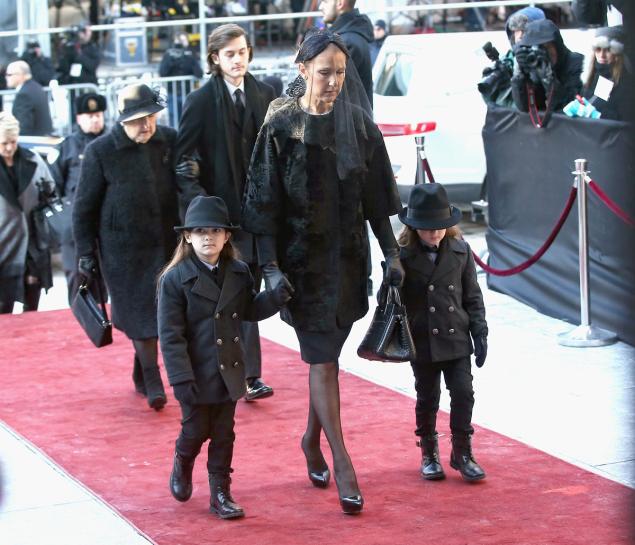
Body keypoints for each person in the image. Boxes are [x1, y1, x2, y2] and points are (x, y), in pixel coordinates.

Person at [242, 29, 404, 514]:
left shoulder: (360, 124)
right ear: (302, 69)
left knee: (326, 360)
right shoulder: (280, 123)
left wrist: (392, 253)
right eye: (324, 72)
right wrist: (269, 268)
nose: (333, 81)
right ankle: (343, 462)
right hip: (299, 271)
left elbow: (378, 201)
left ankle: (310, 440)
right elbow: (262, 203)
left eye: (340, 73)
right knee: (323, 362)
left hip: (349, 266)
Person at [158, 195, 293, 520]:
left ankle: (221, 492)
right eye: (201, 231)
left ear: (227, 236)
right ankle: (183, 458)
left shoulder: (239, 271)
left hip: (229, 369)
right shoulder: (174, 279)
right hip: (195, 371)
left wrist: (275, 298)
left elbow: (247, 311)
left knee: (223, 432)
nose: (209, 237)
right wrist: (180, 378)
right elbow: (170, 335)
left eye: (216, 231)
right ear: (187, 236)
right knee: (195, 430)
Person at [175, 23, 277, 402]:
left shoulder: (266, 94)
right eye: (230, 54)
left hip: (258, 215)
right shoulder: (200, 100)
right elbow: (184, 160)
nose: (238, 60)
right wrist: (201, 211)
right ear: (215, 59)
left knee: (247, 289)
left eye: (242, 51)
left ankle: (250, 375)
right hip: (217, 218)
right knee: (221, 295)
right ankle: (220, 371)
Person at [72, 83, 181, 411]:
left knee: (163, 312)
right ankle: (152, 377)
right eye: (136, 120)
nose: (146, 125)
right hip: (122, 252)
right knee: (138, 313)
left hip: (165, 243)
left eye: (150, 117)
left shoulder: (169, 140)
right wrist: (86, 254)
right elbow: (83, 207)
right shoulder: (101, 151)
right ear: (121, 121)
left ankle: (141, 368)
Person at [397, 183, 488, 482]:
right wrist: (390, 278)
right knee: (427, 397)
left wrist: (481, 332)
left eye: (439, 227)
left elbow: (472, 297)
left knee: (464, 393)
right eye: (427, 228)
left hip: (457, 338)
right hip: (422, 339)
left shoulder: (461, 251)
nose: (434, 233)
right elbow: (390, 303)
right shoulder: (404, 257)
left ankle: (462, 451)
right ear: (414, 227)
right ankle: (428, 451)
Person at [50, 92, 107, 302]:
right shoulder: (67, 147)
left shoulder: (111, 143)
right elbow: (52, 188)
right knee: (77, 279)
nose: (95, 119)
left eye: (98, 114)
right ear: (78, 118)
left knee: (102, 282)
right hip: (74, 227)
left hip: (104, 226)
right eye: (89, 115)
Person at [0, 112, 54, 314]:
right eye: (3, 143)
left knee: (32, 310)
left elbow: (50, 192)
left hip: (33, 245)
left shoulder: (34, 161)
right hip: (3, 247)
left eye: (13, 142)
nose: (8, 148)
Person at [511, 19, 584, 116]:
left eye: (546, 47)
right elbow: (524, 108)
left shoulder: (578, 63)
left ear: (557, 45)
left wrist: (549, 81)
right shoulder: (535, 64)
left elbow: (570, 109)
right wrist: (519, 76)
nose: (543, 53)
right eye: (538, 48)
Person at [478, 7, 545, 107]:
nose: (521, 35)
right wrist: (498, 81)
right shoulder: (507, 60)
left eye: (525, 29)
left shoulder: (549, 58)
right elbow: (493, 104)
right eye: (517, 30)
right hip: (510, 118)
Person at [319, 0, 374, 109]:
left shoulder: (346, 42)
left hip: (347, 123)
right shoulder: (347, 37)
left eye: (325, 2)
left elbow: (330, 92)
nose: (320, 7)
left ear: (340, 3)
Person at [581, 26, 632, 121]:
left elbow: (626, 117)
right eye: (598, 49)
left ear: (617, 53)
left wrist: (596, 113)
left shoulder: (625, 81)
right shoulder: (591, 76)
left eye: (608, 50)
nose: (602, 55)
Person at [158, 32, 203, 121]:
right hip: (172, 93)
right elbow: (162, 72)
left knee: (188, 117)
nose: (180, 44)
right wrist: (171, 61)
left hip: (187, 93)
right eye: (178, 41)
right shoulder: (169, 54)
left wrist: (190, 58)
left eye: (183, 41)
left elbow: (199, 74)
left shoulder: (191, 54)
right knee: (173, 118)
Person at [5, 61, 53, 137]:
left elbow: (23, 127)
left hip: (33, 142)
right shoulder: (36, 87)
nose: (6, 77)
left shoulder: (24, 94)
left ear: (20, 75)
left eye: (9, 75)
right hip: (43, 138)